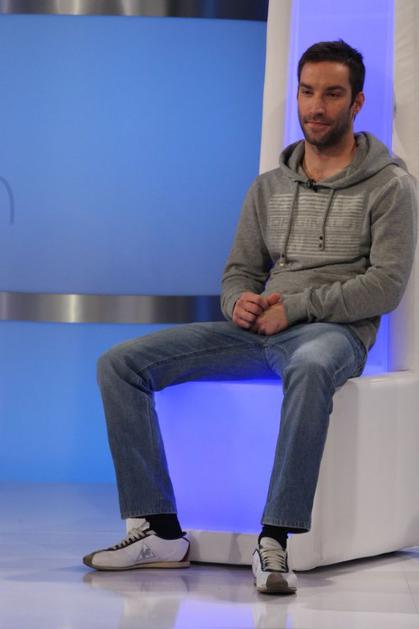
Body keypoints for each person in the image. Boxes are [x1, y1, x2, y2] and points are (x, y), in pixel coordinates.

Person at [83, 40, 417, 595]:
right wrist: (237, 300)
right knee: (120, 364)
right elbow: (239, 272)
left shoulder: (390, 187)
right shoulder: (268, 187)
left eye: (332, 94)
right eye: (307, 92)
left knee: (310, 367)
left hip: (332, 334)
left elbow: (385, 286)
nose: (316, 106)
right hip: (259, 331)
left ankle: (275, 540)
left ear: (357, 103)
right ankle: (160, 531)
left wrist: (295, 308)